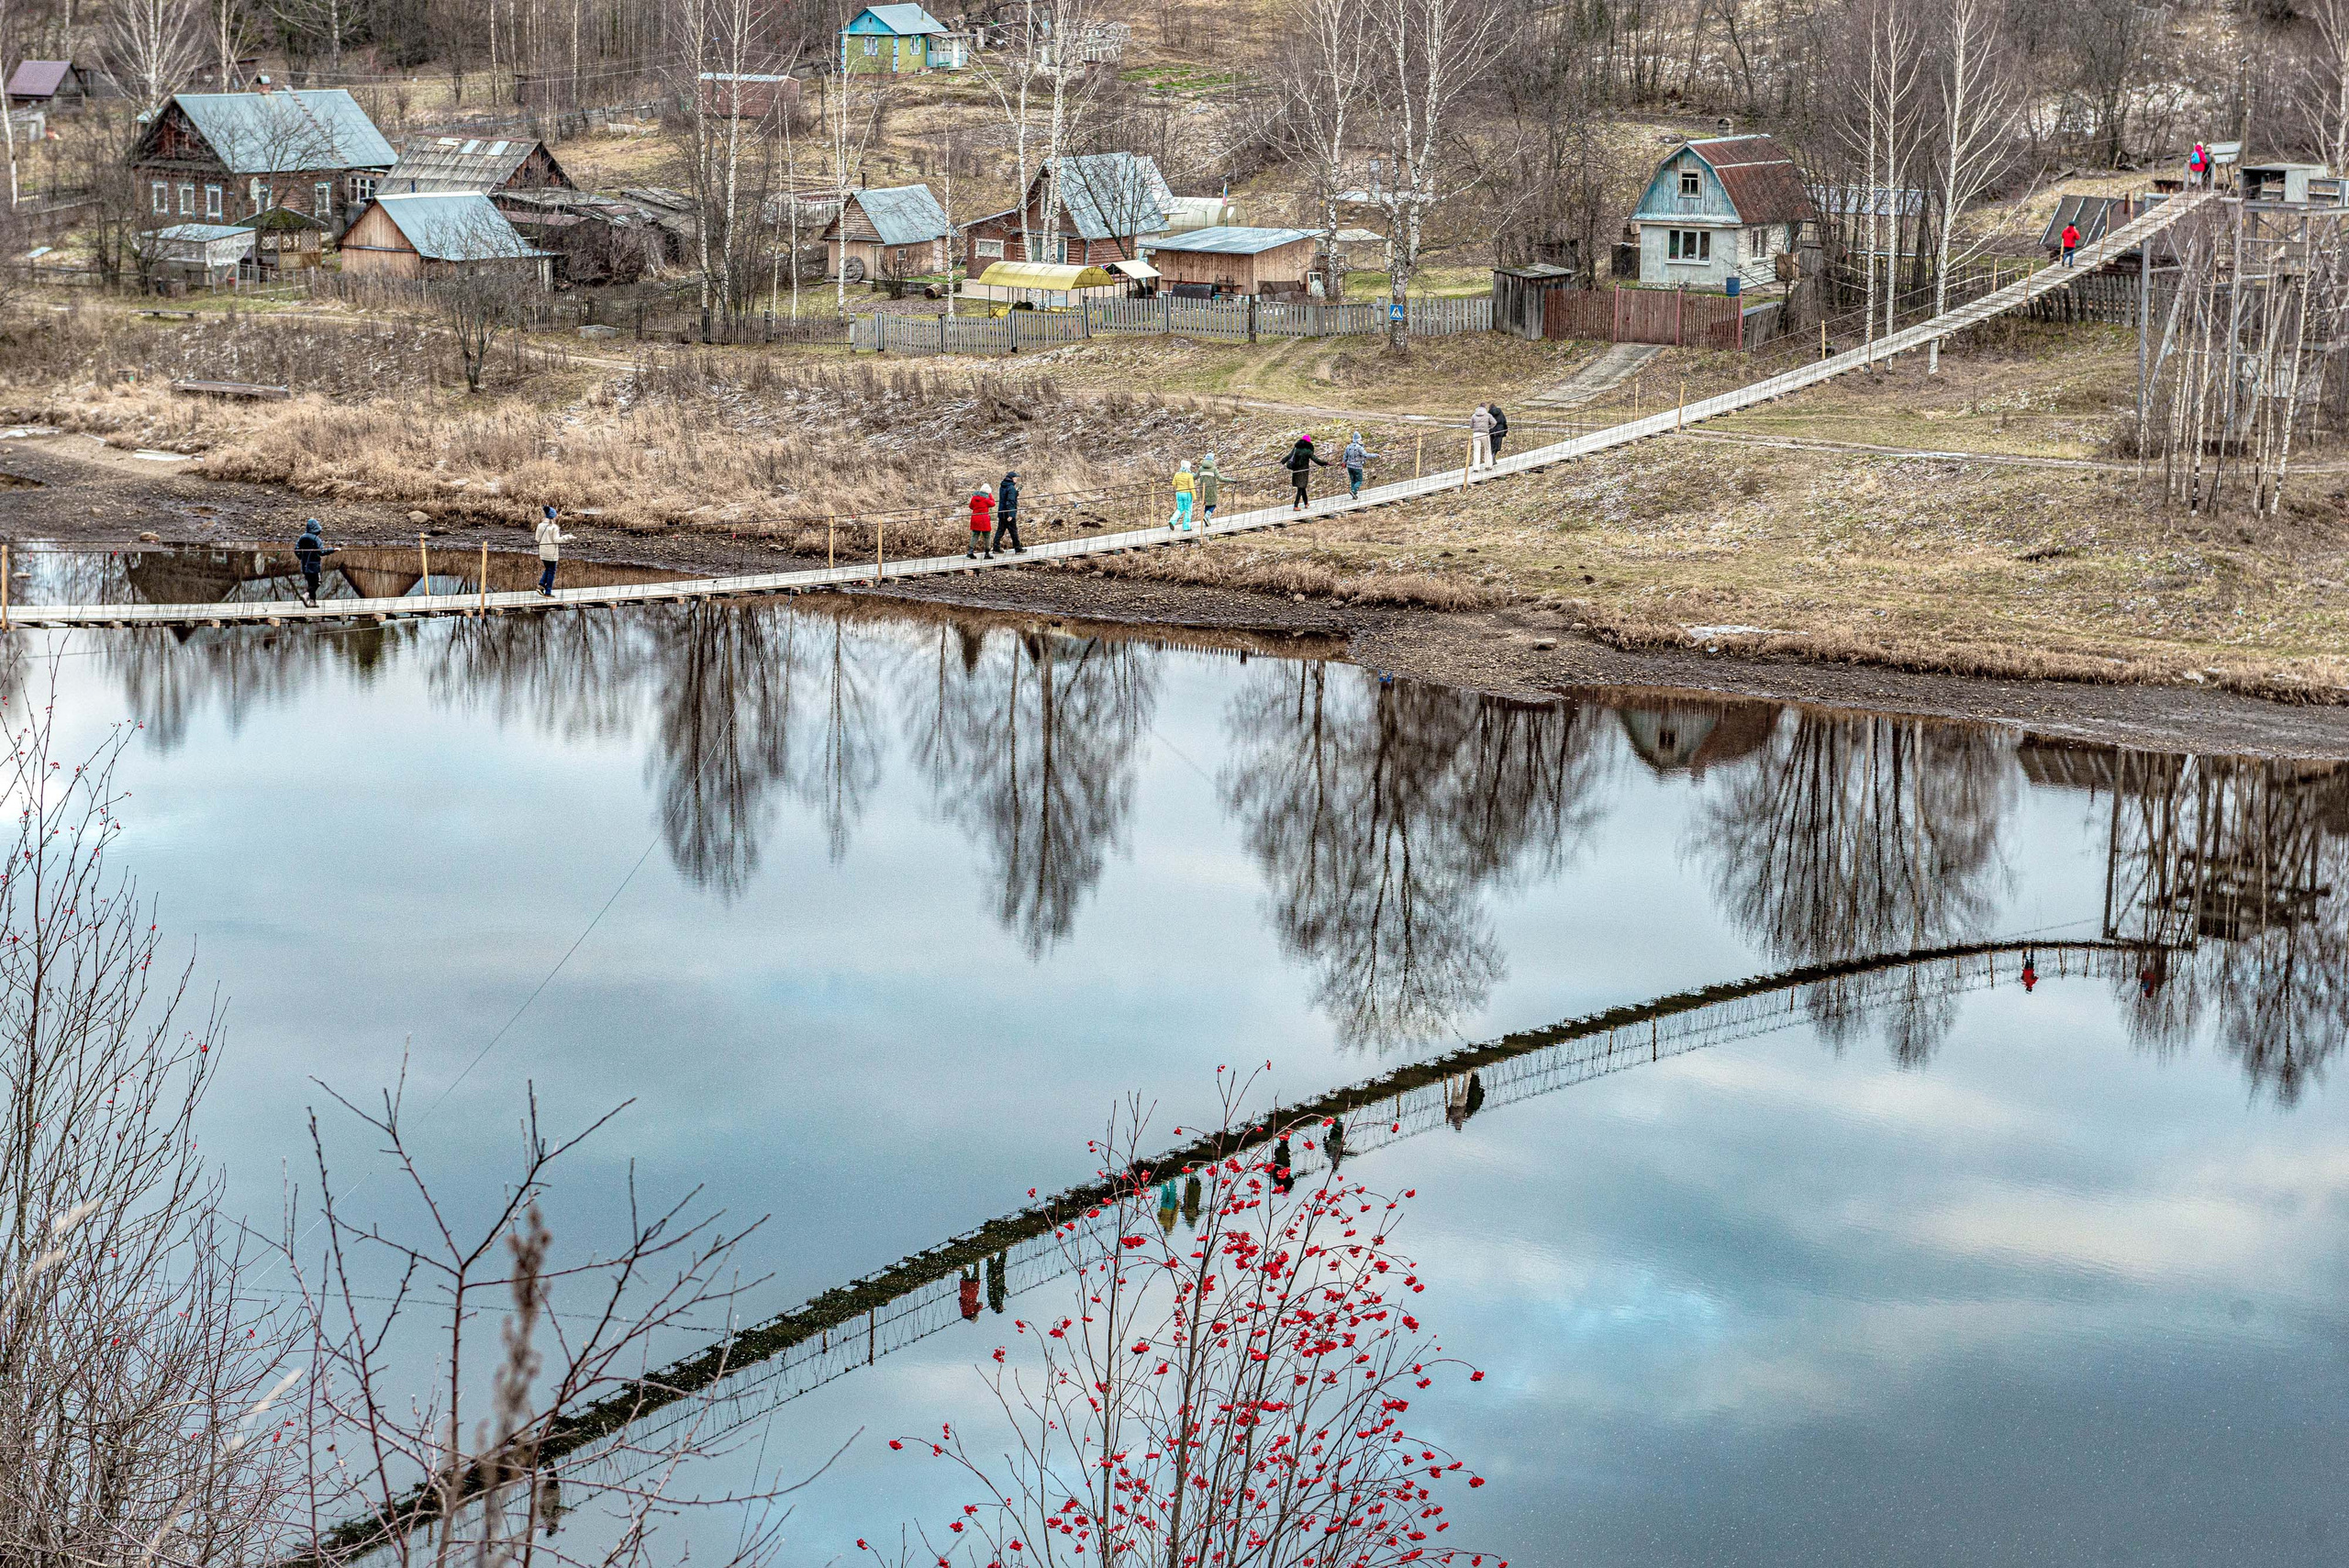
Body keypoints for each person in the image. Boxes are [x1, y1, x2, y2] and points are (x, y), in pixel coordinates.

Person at [1282, 435, 1329, 510]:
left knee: (1302, 487)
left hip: (1296, 470)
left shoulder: (1296, 448)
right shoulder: (1308, 451)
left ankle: (1306, 503)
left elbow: (1289, 456)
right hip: (1303, 471)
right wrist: (1325, 463)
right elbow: (1316, 460)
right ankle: (1296, 505)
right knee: (1301, 487)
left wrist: (1283, 461)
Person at [293, 518, 332, 606]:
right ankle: (307, 595)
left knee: (311, 583)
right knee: (318, 582)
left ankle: (312, 602)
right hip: (314, 566)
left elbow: (296, 550)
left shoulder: (302, 537)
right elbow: (321, 552)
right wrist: (332, 550)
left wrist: (301, 558)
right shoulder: (316, 539)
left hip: (304, 565)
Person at [535, 506, 573, 596]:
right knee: (552, 571)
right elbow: (556, 540)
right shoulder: (554, 527)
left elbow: (537, 539)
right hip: (551, 553)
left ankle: (541, 585)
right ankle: (548, 592)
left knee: (548, 569)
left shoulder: (540, 525)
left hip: (543, 552)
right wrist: (567, 537)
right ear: (553, 516)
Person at [995, 471, 1024, 554]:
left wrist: (1015, 493)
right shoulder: (1011, 488)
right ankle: (1018, 549)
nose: (1016, 480)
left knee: (1000, 530)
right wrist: (1011, 514)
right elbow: (1010, 501)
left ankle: (996, 547)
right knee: (1013, 531)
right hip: (1008, 513)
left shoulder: (1003, 486)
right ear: (1012, 479)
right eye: (1015, 478)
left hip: (1002, 512)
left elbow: (1005, 498)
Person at [1342, 431, 1378, 498]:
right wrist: (1375, 455)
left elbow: (1345, 456)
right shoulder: (1359, 447)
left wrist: (1344, 462)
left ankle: (1354, 494)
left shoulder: (1348, 446)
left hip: (1349, 466)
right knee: (1359, 480)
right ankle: (1353, 491)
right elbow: (1366, 455)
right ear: (1358, 439)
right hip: (1357, 466)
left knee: (1353, 480)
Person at [968, 484, 996, 559]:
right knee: (987, 536)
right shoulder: (986, 499)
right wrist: (990, 496)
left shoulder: (974, 498)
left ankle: (970, 552)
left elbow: (971, 506)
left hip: (975, 518)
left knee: (975, 535)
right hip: (984, 519)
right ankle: (987, 553)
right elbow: (993, 504)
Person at [1169, 461, 1197, 532]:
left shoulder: (1177, 474)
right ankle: (1186, 526)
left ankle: (1172, 521)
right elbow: (1191, 486)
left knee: (1180, 509)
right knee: (1188, 510)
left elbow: (1173, 483)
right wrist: (1194, 496)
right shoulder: (1189, 475)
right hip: (1187, 493)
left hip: (1179, 493)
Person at [1197, 452, 1222, 521]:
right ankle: (1207, 515)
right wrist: (1230, 480)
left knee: (1207, 504)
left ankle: (1207, 520)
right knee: (1213, 505)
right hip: (1212, 489)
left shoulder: (1201, 468)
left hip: (1203, 489)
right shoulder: (1214, 469)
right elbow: (1220, 478)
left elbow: (1195, 477)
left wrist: (1189, 475)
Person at [1470, 404, 1495, 469]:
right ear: (1485, 408)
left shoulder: (1473, 415)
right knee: (1487, 449)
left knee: (1476, 451)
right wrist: (1489, 427)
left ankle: (1476, 468)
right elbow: (1494, 422)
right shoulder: (1488, 415)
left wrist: (1475, 428)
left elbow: (1471, 426)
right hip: (1485, 434)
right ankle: (1488, 465)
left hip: (1476, 434)